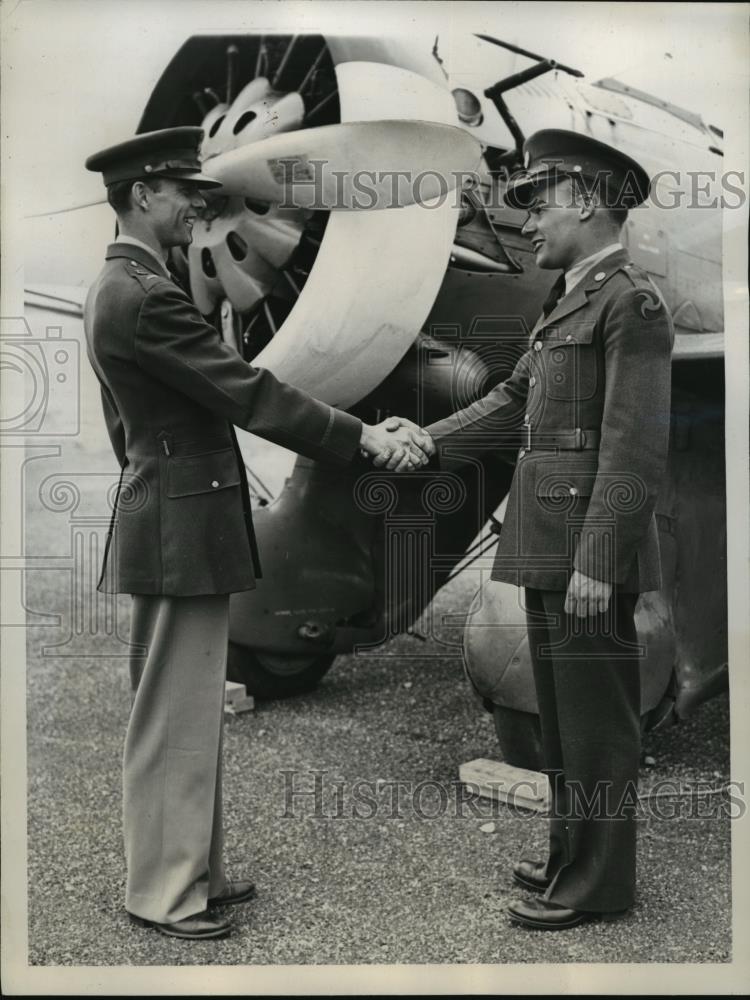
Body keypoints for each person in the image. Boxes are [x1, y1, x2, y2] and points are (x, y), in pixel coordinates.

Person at [83, 126, 432, 940]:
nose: (195, 209)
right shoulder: (146, 294)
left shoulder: (121, 285)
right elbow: (248, 393)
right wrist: (365, 437)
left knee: (188, 706)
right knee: (174, 712)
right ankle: (166, 895)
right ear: (142, 196)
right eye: (180, 194)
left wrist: (148, 487)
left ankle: (190, 873)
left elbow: (120, 422)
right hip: (181, 523)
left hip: (169, 515)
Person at [422, 130, 673, 929]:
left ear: (590, 202)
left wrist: (602, 556)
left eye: (541, 200)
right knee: (563, 716)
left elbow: (635, 444)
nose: (526, 218)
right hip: (544, 541)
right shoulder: (569, 300)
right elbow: (508, 404)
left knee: (598, 724)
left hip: (585, 551)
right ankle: (570, 855)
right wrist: (428, 439)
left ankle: (600, 884)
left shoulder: (631, 302)